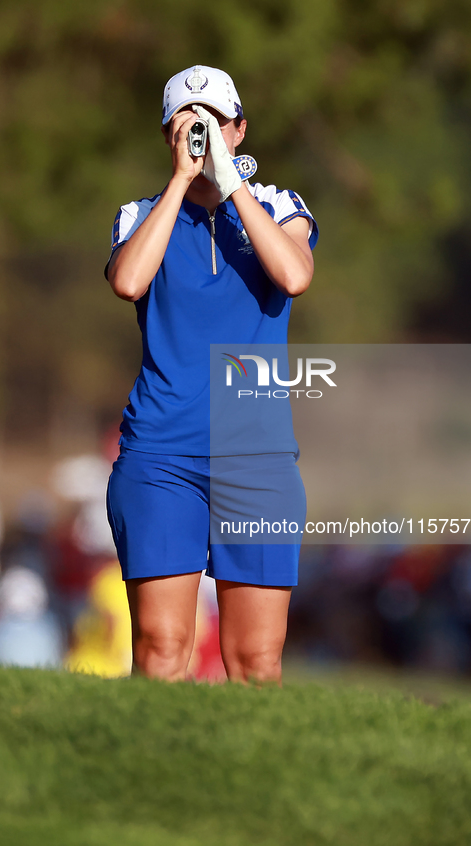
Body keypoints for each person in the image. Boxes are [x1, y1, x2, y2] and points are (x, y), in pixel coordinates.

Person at [105, 65, 318, 685]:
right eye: (188, 123)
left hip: (256, 458)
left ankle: (254, 782)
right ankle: (155, 779)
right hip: (160, 455)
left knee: (255, 661)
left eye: (217, 122)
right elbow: (128, 281)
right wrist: (181, 183)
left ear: (240, 129)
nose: (204, 134)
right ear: (168, 135)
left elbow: (294, 275)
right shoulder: (140, 214)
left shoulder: (280, 206)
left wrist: (230, 185)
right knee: (162, 648)